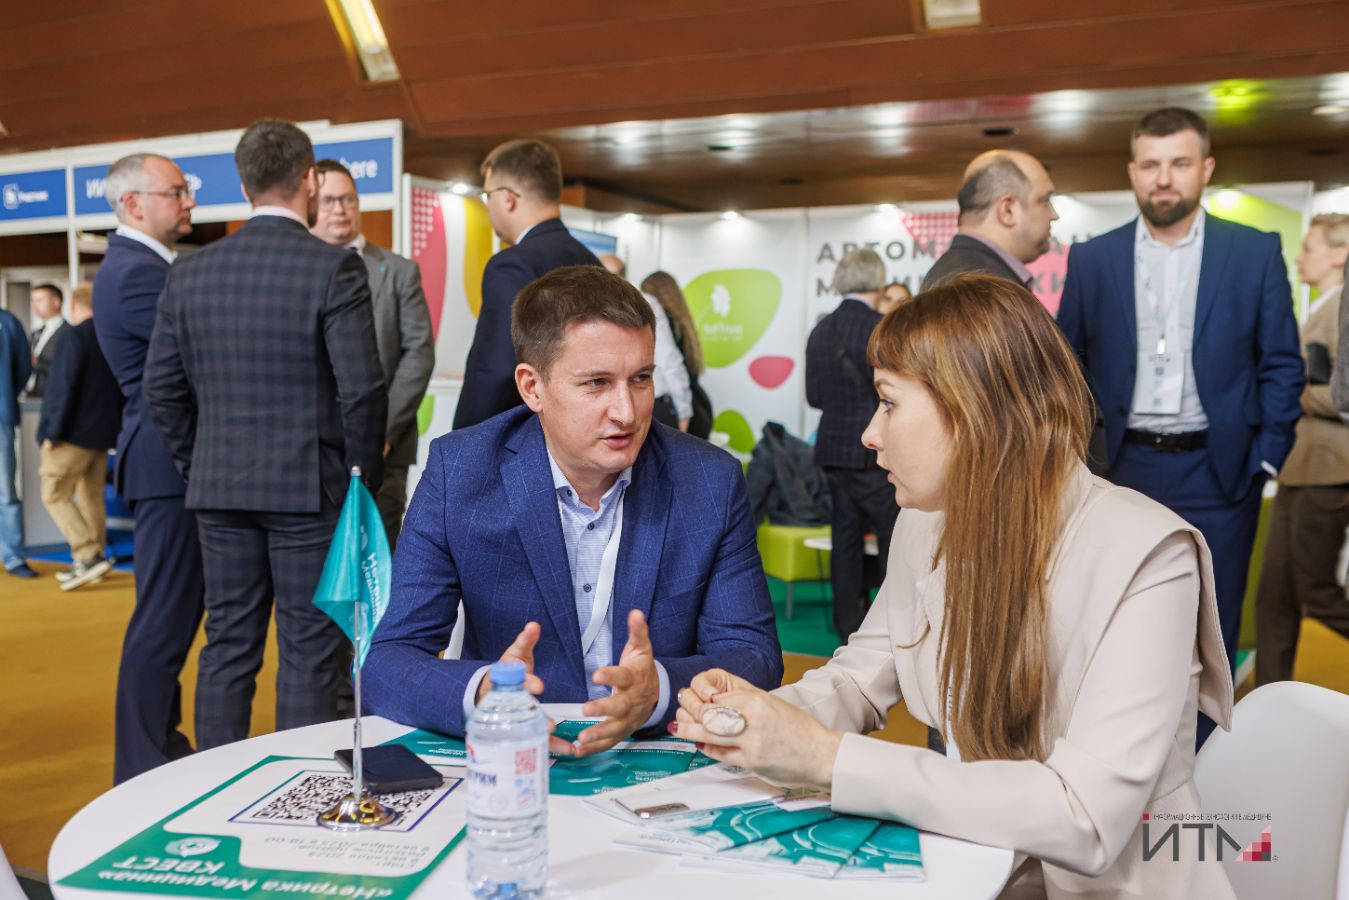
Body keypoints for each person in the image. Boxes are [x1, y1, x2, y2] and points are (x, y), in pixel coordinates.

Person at [675, 274, 1236, 900]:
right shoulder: (925, 521)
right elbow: (860, 678)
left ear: (974, 410)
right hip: (976, 863)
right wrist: (752, 716)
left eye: (888, 403)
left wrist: (828, 758)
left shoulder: (1150, 555)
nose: (869, 433)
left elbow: (1084, 817)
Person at [364, 266, 782, 753]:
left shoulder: (709, 480)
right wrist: (483, 694)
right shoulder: (460, 472)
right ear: (532, 387)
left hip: (656, 753)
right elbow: (387, 662)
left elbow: (754, 656)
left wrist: (659, 690)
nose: (627, 412)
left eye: (641, 379)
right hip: (513, 756)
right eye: (596, 383)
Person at [143, 119, 387, 750]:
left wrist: (197, 463)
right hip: (309, 491)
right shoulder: (334, 268)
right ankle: (297, 783)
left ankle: (213, 782)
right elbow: (362, 391)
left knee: (227, 643)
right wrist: (359, 482)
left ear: (243, 182)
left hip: (218, 490)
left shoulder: (189, 272)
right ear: (310, 180)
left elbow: (161, 390)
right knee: (308, 650)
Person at [1057, 107, 1304, 682]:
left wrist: (1265, 458)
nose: (1163, 179)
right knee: (1117, 624)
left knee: (1210, 632)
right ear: (1132, 172)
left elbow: (1281, 364)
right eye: (1150, 165)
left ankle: (1204, 743)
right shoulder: (1094, 258)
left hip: (1222, 474)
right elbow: (1066, 365)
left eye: (1179, 164)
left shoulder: (1253, 252)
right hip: (1120, 471)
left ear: (1206, 168)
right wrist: (1078, 457)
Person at [92, 151, 205, 782]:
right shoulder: (136, 273)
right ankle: (141, 762)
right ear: (133, 204)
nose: (189, 202)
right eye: (176, 192)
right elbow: (190, 364)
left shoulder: (148, 266)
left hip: (169, 464)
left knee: (173, 617)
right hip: (167, 465)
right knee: (161, 621)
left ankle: (160, 744)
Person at [311, 158, 434, 549]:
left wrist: (380, 431)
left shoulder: (398, 271)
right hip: (312, 452)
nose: (340, 209)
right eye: (329, 201)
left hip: (385, 448)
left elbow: (418, 353)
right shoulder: (297, 269)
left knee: (378, 560)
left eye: (348, 199)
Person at [1255, 214, 1349, 685]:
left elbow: (1343, 396)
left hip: (1328, 471)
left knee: (1316, 593)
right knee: (1274, 597)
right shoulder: (1318, 309)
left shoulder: (1341, 310)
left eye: (1310, 248)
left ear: (1340, 253)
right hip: (1299, 470)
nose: (1299, 257)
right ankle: (1266, 701)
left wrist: (1292, 392)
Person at [452, 139, 600, 430]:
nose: (488, 205)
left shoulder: (511, 264)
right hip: (580, 426)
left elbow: (495, 370)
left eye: (487, 195)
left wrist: (465, 440)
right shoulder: (590, 260)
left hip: (521, 434)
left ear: (507, 198)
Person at [805, 248, 899, 640]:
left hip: (833, 451)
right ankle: (895, 625)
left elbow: (814, 396)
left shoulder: (820, 330)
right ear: (877, 279)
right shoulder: (882, 328)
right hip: (878, 450)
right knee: (895, 539)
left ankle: (849, 628)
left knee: (844, 542)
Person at [36, 284, 122, 591]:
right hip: (102, 435)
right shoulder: (111, 337)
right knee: (90, 496)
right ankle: (93, 559)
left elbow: (63, 386)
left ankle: (87, 555)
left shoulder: (74, 336)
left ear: (74, 306)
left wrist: (52, 431)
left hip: (71, 435)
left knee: (53, 493)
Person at [920, 150, 1058, 292]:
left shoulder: (963, 274)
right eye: (1045, 200)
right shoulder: (980, 287)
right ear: (1008, 210)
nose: (1054, 215)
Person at [599, 254, 692, 432]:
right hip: (623, 404)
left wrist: (683, 412)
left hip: (650, 406)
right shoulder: (644, 301)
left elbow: (668, 359)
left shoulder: (645, 302)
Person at [639, 271, 713, 439]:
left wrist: (683, 414)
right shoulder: (683, 324)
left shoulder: (661, 327)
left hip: (682, 412)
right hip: (699, 407)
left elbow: (672, 367)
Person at [1, 306, 34, 580]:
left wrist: (6, 395)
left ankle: (13, 556)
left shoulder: (8, 323)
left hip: (0, 419)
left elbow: (23, 366)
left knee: (6, 493)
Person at [25, 283, 69, 398]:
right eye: (33, 301)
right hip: (31, 396)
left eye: (40, 300)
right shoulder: (36, 333)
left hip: (54, 397)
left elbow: (68, 369)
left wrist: (37, 362)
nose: (34, 305)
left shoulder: (69, 333)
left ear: (56, 302)